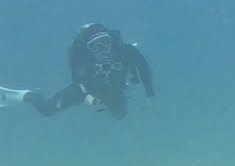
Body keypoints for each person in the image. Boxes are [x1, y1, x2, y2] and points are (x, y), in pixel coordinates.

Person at [22, 23, 155, 119]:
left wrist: (150, 95)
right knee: (47, 110)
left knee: (120, 114)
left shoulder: (126, 51)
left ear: (112, 41)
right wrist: (86, 96)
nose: (101, 49)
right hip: (84, 88)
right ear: (88, 49)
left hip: (112, 88)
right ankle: (28, 96)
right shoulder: (82, 58)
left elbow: (144, 69)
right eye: (94, 46)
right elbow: (77, 80)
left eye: (105, 42)